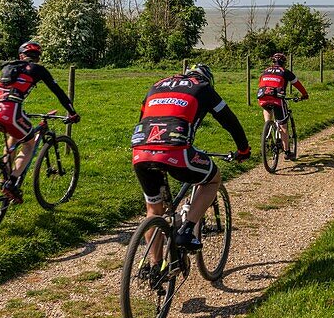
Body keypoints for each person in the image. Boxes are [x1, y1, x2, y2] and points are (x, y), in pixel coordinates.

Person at [131, 63, 250, 251]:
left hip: (140, 150)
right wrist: (243, 150)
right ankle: (186, 231)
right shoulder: (203, 88)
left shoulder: (156, 85)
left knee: (154, 211)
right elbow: (229, 120)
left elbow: (143, 119)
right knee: (212, 179)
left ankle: (154, 268)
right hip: (175, 150)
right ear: (207, 78)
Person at [0, 40, 79, 203]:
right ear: (37, 57)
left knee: (13, 138)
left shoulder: (9, 66)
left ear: (21, 55)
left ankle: (3, 178)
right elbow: (58, 92)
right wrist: (72, 113)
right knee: (29, 143)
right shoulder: (38, 69)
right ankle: (11, 183)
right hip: (10, 111)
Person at [256, 52, 308, 160]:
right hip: (277, 100)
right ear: (284, 63)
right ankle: (287, 152)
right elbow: (297, 84)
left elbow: (261, 83)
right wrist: (304, 95)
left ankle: (268, 126)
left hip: (263, 97)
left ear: (273, 62)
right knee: (283, 126)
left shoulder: (265, 71)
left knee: (266, 106)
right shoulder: (285, 72)